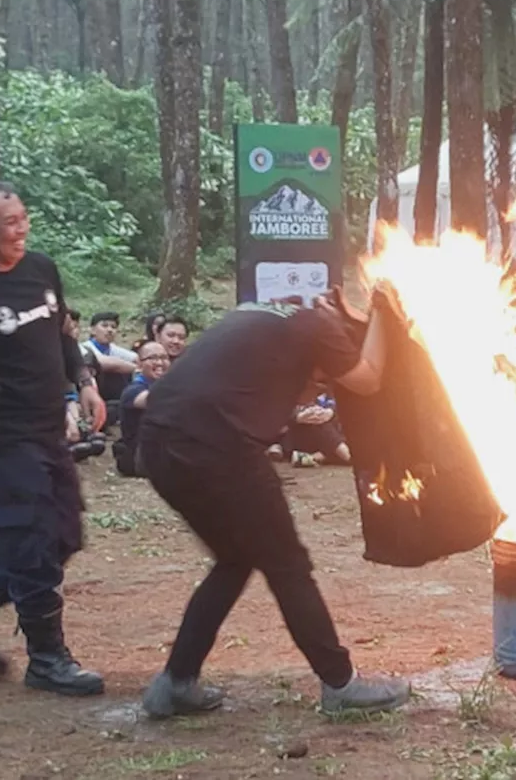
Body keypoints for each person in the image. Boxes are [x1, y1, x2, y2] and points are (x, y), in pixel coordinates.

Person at [135, 292, 411, 719]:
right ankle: (340, 684)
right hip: (218, 450)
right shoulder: (320, 328)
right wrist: (386, 315)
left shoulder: (266, 313)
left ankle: (175, 682)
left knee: (234, 559)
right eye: (325, 378)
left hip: (157, 444)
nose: (319, 386)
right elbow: (370, 378)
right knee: (288, 565)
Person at [0, 177, 108, 696]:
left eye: (23, 217)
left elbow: (63, 333)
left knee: (64, 537)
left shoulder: (40, 268)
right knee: (29, 542)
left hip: (51, 431)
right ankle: (48, 660)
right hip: (3, 440)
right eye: (7, 223)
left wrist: (86, 383)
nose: (20, 228)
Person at [113, 341, 170, 478]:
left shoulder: (167, 386)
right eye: (153, 358)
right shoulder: (134, 390)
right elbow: (154, 401)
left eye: (164, 358)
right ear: (139, 363)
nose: (160, 363)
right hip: (140, 455)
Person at [80, 311, 139, 408]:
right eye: (104, 326)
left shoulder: (113, 348)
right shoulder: (84, 347)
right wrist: (138, 369)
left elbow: (136, 358)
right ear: (93, 330)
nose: (110, 330)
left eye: (113, 327)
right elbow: (104, 363)